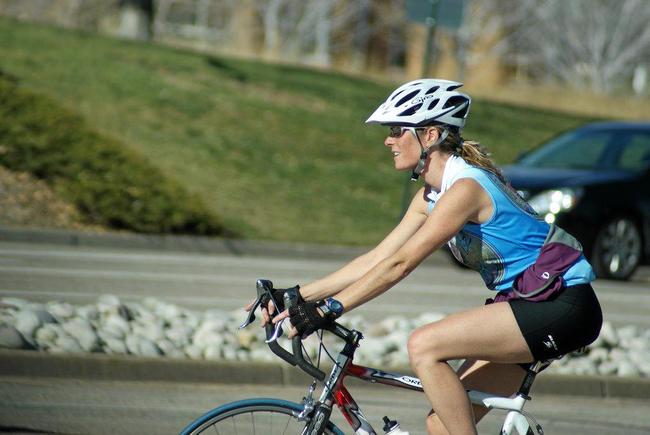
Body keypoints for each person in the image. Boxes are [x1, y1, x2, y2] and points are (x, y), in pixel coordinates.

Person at [259, 79, 603, 435]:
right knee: (442, 424)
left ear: (431, 135)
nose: (388, 140)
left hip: (563, 305)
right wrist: (298, 295)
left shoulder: (466, 189)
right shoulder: (430, 196)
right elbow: (379, 257)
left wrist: (330, 309)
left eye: (397, 131)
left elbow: (401, 265)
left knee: (424, 345)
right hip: (528, 303)